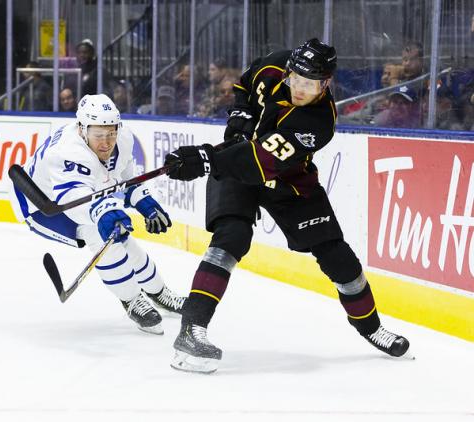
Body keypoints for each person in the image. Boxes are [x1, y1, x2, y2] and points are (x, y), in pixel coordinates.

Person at [163, 38, 412, 373]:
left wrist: (207, 159)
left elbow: (261, 159)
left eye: (309, 84)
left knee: (340, 259)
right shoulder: (275, 65)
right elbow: (245, 85)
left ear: (325, 84)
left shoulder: (318, 122)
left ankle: (371, 328)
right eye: (295, 79)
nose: (299, 88)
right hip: (237, 164)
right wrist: (238, 122)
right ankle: (192, 330)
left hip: (285, 180)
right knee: (230, 239)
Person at [8, 94, 186, 334]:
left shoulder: (123, 138)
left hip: (80, 194)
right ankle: (132, 300)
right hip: (42, 205)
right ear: (82, 130)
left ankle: (159, 292)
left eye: (111, 133)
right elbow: (72, 198)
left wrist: (144, 201)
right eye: (98, 135)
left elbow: (124, 179)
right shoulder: (67, 153)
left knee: (122, 237)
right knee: (101, 235)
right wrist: (103, 211)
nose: (106, 142)